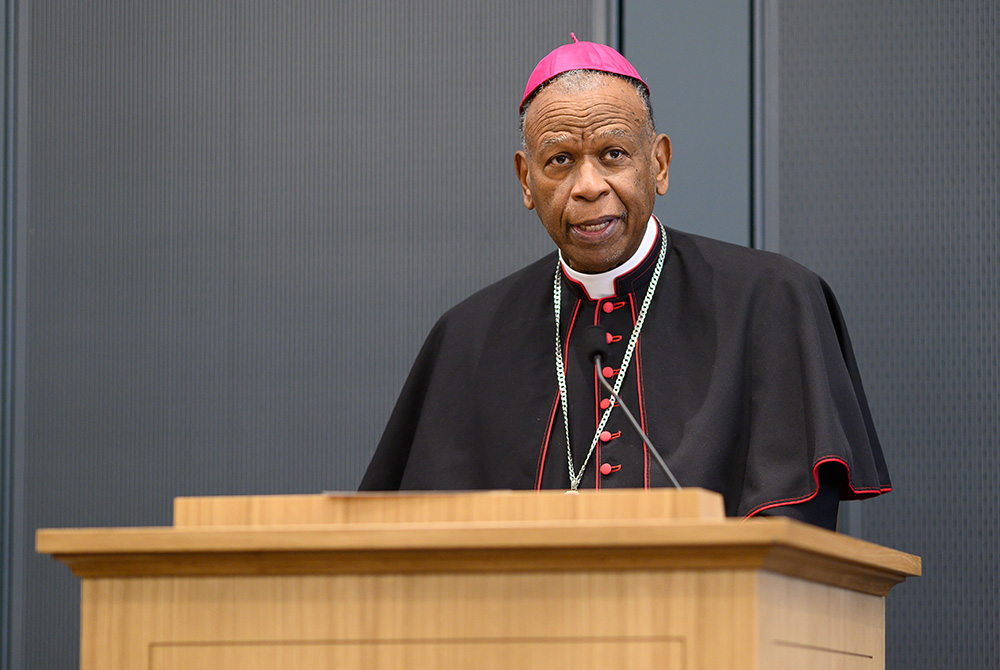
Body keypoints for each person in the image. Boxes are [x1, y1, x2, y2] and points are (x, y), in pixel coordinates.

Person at [358, 36, 890, 530]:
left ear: (657, 163)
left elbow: (792, 549)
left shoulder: (773, 300)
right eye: (560, 161)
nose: (588, 186)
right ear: (526, 180)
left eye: (613, 154)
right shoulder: (466, 337)